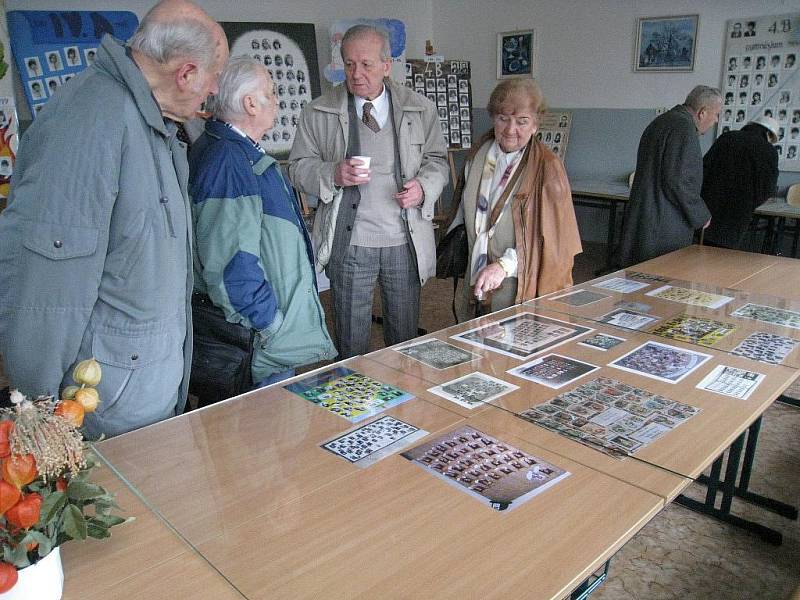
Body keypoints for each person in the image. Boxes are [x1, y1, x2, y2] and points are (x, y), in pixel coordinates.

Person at [0, 0, 228, 438]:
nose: (213, 90)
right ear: (186, 73)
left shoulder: (151, 119)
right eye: (213, 76)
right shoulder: (93, 122)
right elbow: (47, 286)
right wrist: (39, 414)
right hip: (100, 410)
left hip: (135, 392)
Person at [288, 24, 448, 359]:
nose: (356, 74)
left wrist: (423, 188)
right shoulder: (318, 112)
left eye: (366, 64)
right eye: (349, 64)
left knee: (404, 338)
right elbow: (298, 167)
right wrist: (332, 173)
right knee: (350, 340)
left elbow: (437, 162)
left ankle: (404, 402)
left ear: (386, 65)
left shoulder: (420, 109)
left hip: (405, 241)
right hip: (349, 242)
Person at [189, 57, 334, 398]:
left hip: (257, 337)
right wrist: (270, 324)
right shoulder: (228, 161)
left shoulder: (233, 151)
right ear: (250, 103)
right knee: (265, 434)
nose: (278, 100)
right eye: (271, 92)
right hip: (256, 341)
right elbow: (231, 265)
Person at [447, 79, 580, 322]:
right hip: (474, 276)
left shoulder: (547, 168)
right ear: (493, 118)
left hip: (516, 284)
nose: (510, 129)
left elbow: (554, 243)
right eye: (503, 118)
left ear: (536, 125)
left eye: (522, 121)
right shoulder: (477, 156)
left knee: (508, 351)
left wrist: (504, 266)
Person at [619, 86, 721, 266]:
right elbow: (678, 181)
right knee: (660, 278)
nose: (716, 120)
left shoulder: (662, 121)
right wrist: (700, 215)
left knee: (640, 275)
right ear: (702, 113)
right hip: (665, 223)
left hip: (647, 215)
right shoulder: (684, 129)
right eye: (716, 114)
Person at [701, 116, 779, 250]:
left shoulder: (727, 138)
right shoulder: (768, 150)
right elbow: (768, 188)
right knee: (723, 256)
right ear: (768, 134)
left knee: (698, 250)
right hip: (738, 211)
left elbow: (704, 169)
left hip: (709, 204)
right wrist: (752, 202)